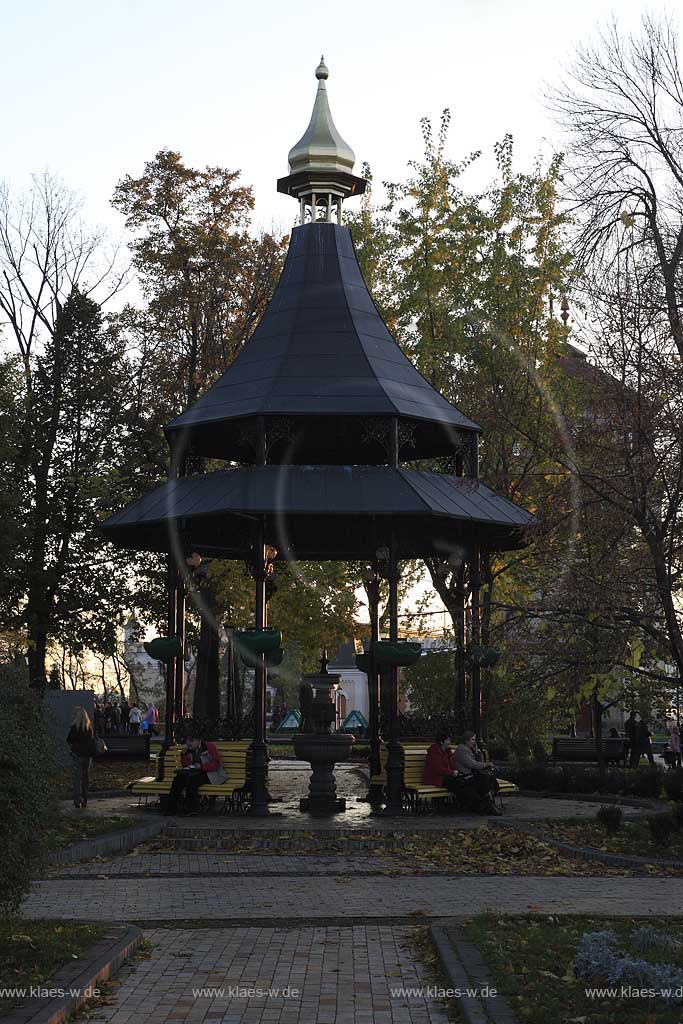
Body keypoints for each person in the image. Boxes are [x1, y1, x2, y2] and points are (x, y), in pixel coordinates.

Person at [164, 734, 227, 816]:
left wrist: (202, 766)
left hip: (211, 774)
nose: (189, 745)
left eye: (191, 742)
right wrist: (183, 755)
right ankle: (171, 809)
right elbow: (185, 765)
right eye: (188, 743)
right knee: (178, 779)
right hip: (195, 772)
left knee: (192, 781)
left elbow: (216, 765)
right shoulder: (189, 749)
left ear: (198, 740)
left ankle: (191, 809)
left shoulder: (209, 747)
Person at [453, 731, 502, 815]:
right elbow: (472, 764)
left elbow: (478, 762)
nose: (474, 742)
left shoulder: (469, 749)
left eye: (474, 739)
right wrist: (487, 764)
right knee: (484, 778)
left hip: (472, 775)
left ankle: (489, 805)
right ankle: (489, 805)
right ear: (466, 741)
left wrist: (476, 752)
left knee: (488, 777)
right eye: (472, 740)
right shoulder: (461, 750)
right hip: (465, 777)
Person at [67, 707, 97, 809]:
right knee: (85, 778)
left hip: (78, 755)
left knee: (77, 779)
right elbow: (92, 742)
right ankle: (85, 800)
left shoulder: (75, 727)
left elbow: (69, 740)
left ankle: (77, 801)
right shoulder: (89, 728)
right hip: (87, 756)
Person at [423, 730, 463, 802]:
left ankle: (475, 804)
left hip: (445, 777)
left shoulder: (447, 751)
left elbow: (452, 765)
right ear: (441, 742)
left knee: (464, 782)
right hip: (435, 779)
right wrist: (452, 772)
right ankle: (474, 804)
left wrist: (456, 771)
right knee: (459, 784)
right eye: (448, 740)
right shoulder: (434, 751)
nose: (449, 742)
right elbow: (438, 769)